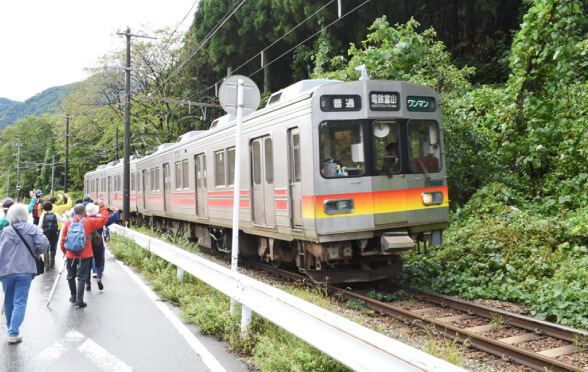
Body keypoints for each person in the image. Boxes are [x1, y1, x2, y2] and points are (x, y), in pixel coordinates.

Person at [0, 203, 49, 344]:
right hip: (25, 269)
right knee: (20, 301)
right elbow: (43, 243)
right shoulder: (32, 229)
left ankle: (11, 329)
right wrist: (37, 252)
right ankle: (13, 332)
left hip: (6, 271)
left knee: (8, 300)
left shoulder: (5, 231)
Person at [60, 202, 108, 308]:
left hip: (70, 254)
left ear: (74, 212)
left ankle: (73, 296)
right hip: (85, 254)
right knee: (81, 277)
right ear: (84, 212)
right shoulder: (88, 222)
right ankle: (79, 300)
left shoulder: (68, 223)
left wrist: (64, 251)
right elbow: (104, 220)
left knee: (70, 276)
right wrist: (103, 208)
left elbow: (63, 239)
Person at [84, 203, 119, 291]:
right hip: (99, 244)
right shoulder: (101, 220)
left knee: (87, 265)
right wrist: (116, 211)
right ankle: (99, 278)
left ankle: (88, 283)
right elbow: (113, 218)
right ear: (96, 211)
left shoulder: (84, 221)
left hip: (87, 245)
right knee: (99, 263)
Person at [38, 202, 67, 270]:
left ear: (44, 208)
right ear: (52, 207)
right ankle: (52, 263)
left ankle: (46, 265)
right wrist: (64, 214)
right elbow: (64, 221)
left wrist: (42, 231)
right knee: (53, 248)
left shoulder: (43, 215)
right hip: (54, 233)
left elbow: (39, 226)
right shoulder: (55, 214)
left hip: (45, 234)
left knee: (46, 248)